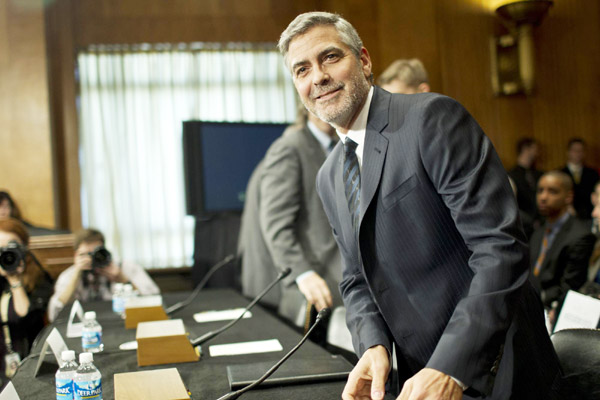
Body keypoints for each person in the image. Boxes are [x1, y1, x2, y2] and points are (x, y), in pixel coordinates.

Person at [278, 12, 561, 400]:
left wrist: (451, 365)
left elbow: (500, 248)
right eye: (301, 70)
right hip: (416, 377)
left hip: (498, 367)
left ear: (363, 60)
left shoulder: (431, 118)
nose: (318, 77)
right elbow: (356, 278)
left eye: (330, 57)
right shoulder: (328, 175)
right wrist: (373, 345)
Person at [239, 109, 343, 324]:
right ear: (306, 107)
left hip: (326, 282)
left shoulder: (334, 146)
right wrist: (302, 273)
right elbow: (276, 223)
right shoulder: (290, 147)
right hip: (302, 288)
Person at [47, 228, 159, 321]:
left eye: (96, 253)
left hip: (122, 322)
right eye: (86, 254)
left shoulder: (125, 267)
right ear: (76, 255)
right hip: (86, 327)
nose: (92, 259)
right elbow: (54, 313)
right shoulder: (69, 275)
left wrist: (123, 279)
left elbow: (154, 298)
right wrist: (76, 276)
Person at [530, 171, 596, 310]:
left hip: (556, 308)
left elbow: (570, 286)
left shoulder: (580, 235)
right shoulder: (537, 232)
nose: (543, 197)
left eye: (552, 191)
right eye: (540, 190)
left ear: (568, 196)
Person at [0, 218, 52, 386]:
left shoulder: (39, 278)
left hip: (32, 363)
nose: (6, 252)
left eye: (11, 246)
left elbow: (25, 321)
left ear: (24, 248)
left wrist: (15, 280)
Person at [507, 138, 543, 235]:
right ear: (525, 148)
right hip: (524, 227)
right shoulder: (511, 175)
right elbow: (511, 205)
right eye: (534, 148)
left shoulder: (539, 174)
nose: (537, 152)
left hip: (542, 224)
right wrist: (530, 221)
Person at [561, 138, 599, 219]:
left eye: (581, 150)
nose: (578, 153)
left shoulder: (593, 173)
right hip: (567, 217)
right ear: (568, 152)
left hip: (590, 216)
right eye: (575, 150)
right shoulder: (560, 174)